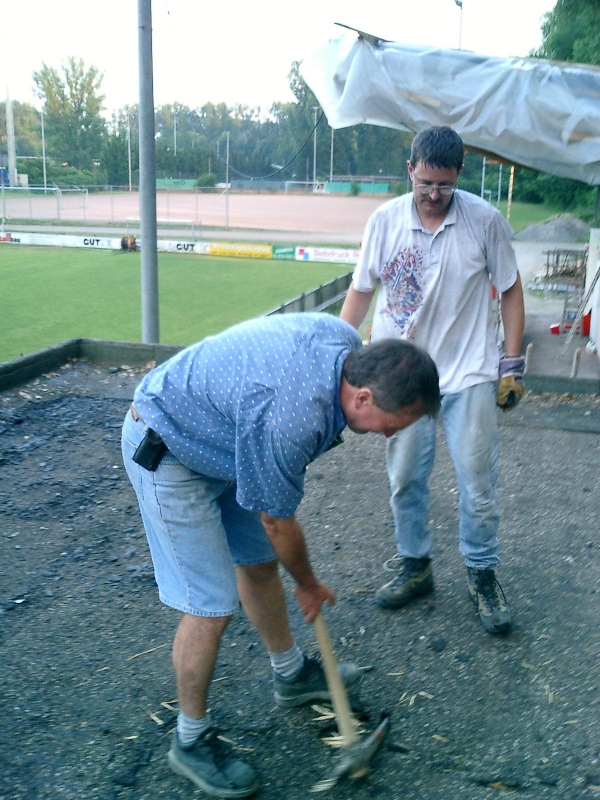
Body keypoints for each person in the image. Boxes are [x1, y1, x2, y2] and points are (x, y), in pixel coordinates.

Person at [121, 312, 440, 798]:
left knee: (259, 563)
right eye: (391, 425)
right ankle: (189, 740)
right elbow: (277, 521)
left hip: (225, 441)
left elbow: (269, 529)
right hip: (168, 447)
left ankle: (290, 676)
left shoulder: (347, 346)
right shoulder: (295, 416)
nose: (390, 435)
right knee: (210, 604)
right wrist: (309, 585)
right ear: (363, 397)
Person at [340, 126, 525, 636]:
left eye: (444, 185)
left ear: (458, 175)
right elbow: (361, 291)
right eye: (425, 184)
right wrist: (335, 348)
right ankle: (415, 566)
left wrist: (511, 364)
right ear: (410, 171)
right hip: (401, 377)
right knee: (404, 479)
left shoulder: (485, 222)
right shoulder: (383, 222)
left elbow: (509, 290)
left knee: (478, 484)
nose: (434, 195)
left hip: (467, 373)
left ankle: (482, 574)